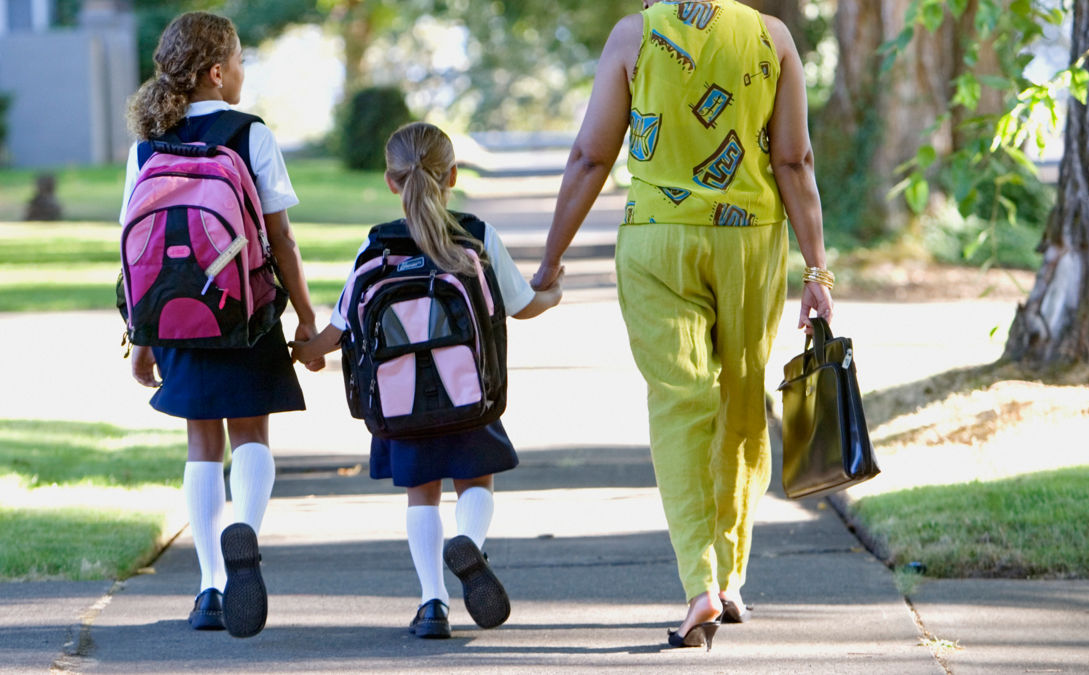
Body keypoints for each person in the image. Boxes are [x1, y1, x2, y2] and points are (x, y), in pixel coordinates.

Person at [531, 0, 834, 650]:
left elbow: (591, 156)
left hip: (657, 242)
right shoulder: (771, 37)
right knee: (741, 400)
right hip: (749, 243)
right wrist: (817, 271)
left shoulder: (634, 35)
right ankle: (728, 575)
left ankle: (699, 581)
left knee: (680, 401)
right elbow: (795, 162)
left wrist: (551, 257)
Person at [290, 121, 564, 639]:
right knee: (474, 483)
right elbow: (523, 306)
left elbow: (340, 326)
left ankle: (432, 603)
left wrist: (304, 352)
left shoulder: (376, 247)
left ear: (392, 182)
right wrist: (552, 293)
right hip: (469, 394)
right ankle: (467, 541)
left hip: (402, 404)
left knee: (420, 494)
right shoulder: (476, 235)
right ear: (453, 175)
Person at [121, 11, 321, 638]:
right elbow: (281, 241)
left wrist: (140, 337)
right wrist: (309, 319)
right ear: (216, 71)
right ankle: (247, 540)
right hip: (245, 313)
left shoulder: (146, 145)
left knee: (201, 444)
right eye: (237, 61)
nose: (240, 72)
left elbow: (135, 253)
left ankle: (209, 585)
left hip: (176, 317)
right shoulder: (249, 133)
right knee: (250, 435)